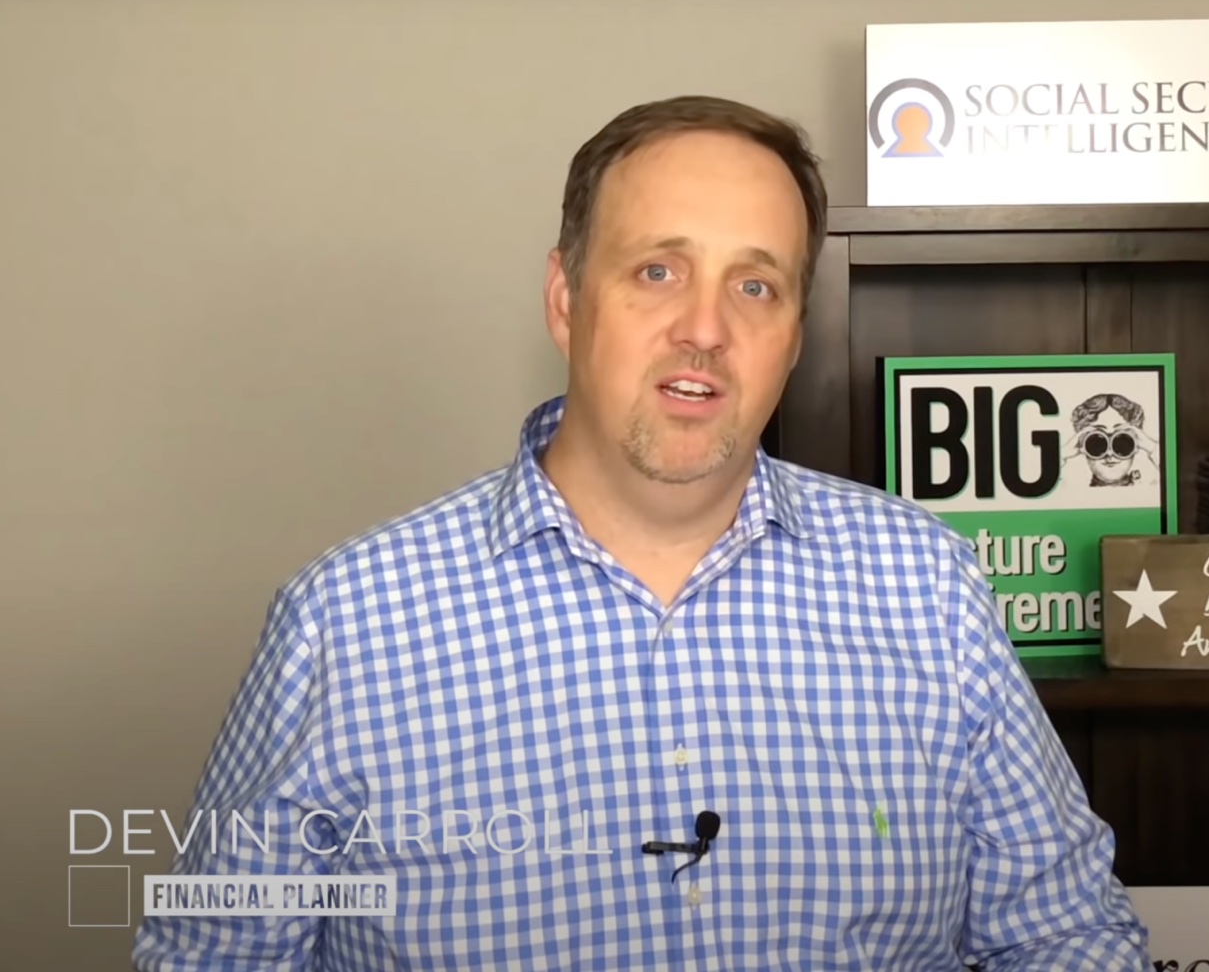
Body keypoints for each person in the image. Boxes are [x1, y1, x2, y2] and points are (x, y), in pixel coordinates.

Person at [133, 95, 1150, 970]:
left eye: (755, 285)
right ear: (565, 301)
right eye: (658, 271)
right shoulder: (345, 623)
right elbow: (211, 953)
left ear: (794, 335)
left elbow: (1065, 932)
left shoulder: (924, 586)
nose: (705, 328)